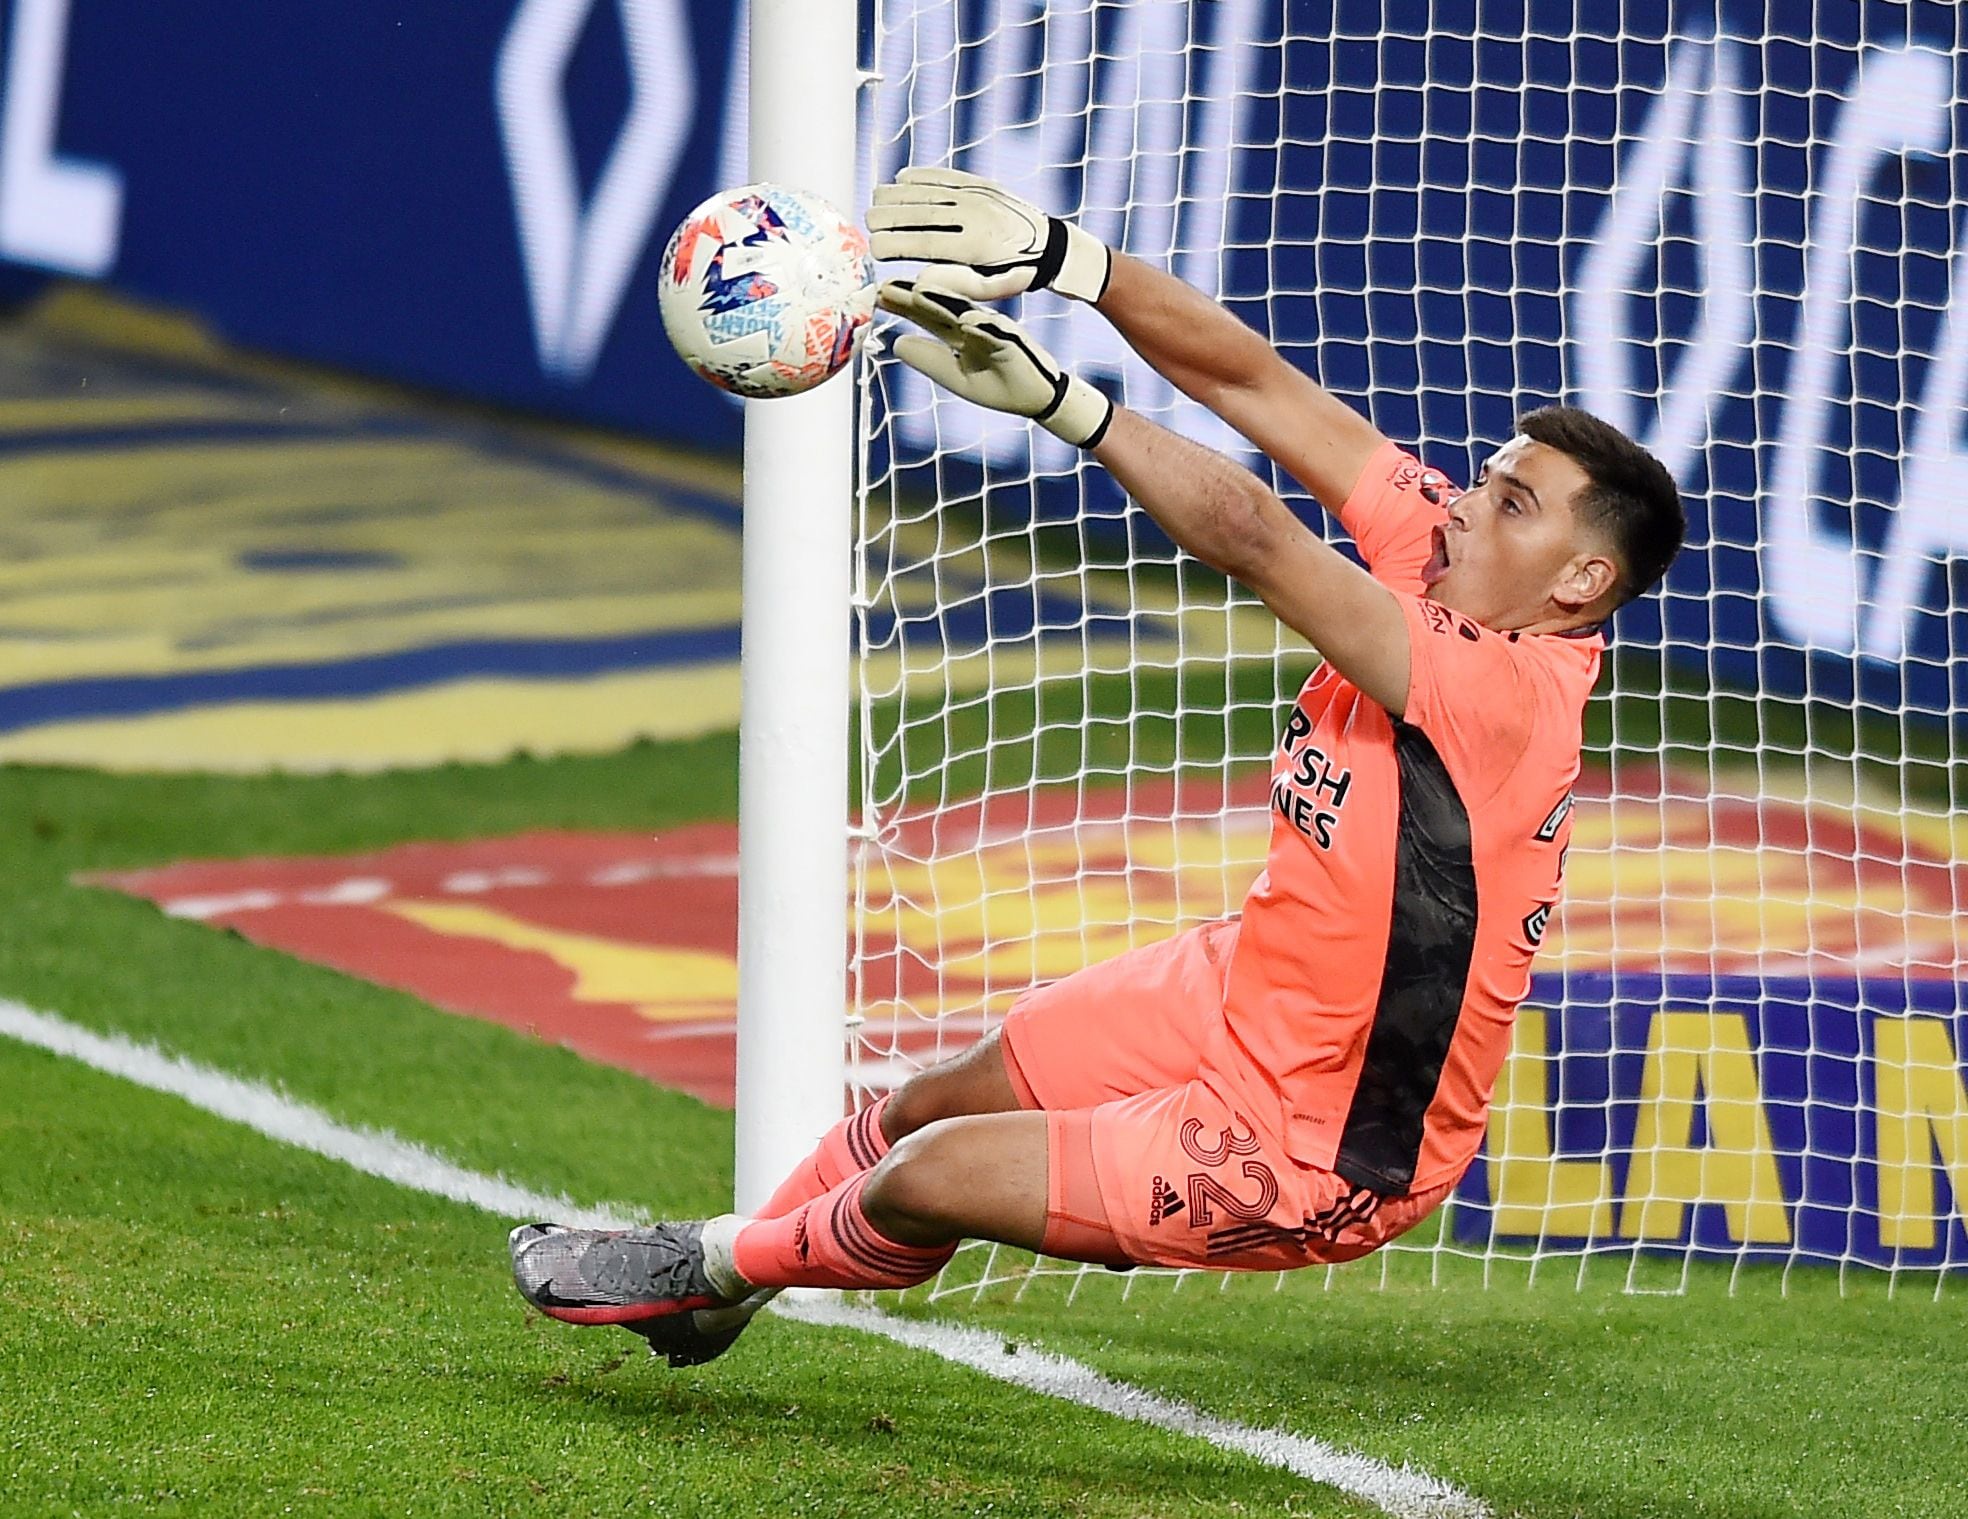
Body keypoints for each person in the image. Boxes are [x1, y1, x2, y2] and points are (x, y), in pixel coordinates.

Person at [509, 168, 1686, 1366]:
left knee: (933, 1175)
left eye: (1512, 504)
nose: (1462, 507)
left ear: (1579, 584)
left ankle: (699, 1263)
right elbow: (1253, 380)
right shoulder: (1444, 550)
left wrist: (1072, 407)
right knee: (923, 1105)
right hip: (1243, 986)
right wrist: (1071, 259)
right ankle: (722, 1292)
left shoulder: (1506, 695)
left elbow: (1259, 542)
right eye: (1486, 480)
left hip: (1315, 1140)